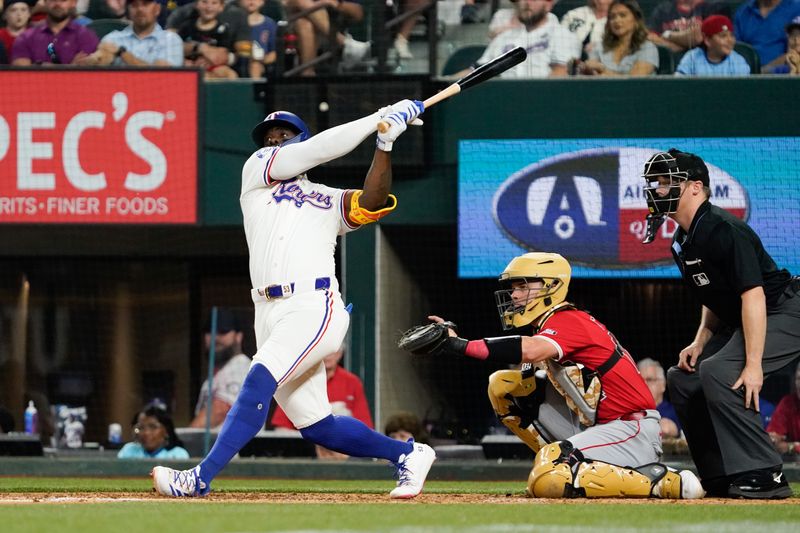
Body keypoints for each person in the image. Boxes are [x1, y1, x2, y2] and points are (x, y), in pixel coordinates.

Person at [152, 99, 436, 499]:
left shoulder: (326, 197)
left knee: (258, 381)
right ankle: (407, 454)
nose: (274, 142)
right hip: (267, 310)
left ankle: (199, 478)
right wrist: (376, 118)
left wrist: (384, 143)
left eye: (284, 136)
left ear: (298, 139)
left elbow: (372, 201)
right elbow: (319, 149)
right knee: (318, 424)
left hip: (312, 303)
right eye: (269, 138)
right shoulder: (256, 172)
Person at [419, 252, 704, 499]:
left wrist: (460, 345)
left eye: (522, 286)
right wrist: (453, 337)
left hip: (632, 430)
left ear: (551, 287)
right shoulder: (546, 325)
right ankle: (559, 463)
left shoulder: (568, 320)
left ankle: (663, 482)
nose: (514, 295)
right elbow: (527, 373)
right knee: (503, 385)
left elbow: (528, 351)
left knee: (548, 477)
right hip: (601, 428)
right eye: (513, 288)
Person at [640, 149, 800, 499]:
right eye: (657, 182)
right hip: (747, 316)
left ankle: (765, 473)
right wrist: (700, 340)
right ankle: (721, 474)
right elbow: (710, 293)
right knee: (683, 378)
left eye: (667, 182)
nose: (658, 190)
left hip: (784, 309)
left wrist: (754, 365)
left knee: (719, 371)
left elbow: (753, 295)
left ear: (696, 187)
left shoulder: (724, 229)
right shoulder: (684, 238)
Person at [270, 343, 374, 459]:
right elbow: (281, 431)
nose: (328, 356)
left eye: (333, 351)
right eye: (324, 351)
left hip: (346, 455)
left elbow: (365, 428)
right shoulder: (296, 382)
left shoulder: (352, 382)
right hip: (306, 455)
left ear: (340, 354)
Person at [457, 0, 580, 79]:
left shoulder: (562, 35)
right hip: (504, 101)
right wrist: (445, 83)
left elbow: (561, 72)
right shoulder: (504, 37)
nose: (527, 3)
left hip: (545, 102)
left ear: (548, 4)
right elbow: (477, 71)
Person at [189, 309, 252, 429]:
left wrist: (184, 442)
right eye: (209, 332)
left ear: (238, 336)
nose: (215, 338)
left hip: (240, 446)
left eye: (223, 332)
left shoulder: (241, 367)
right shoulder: (219, 372)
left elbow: (220, 410)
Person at [282, 0, 370, 75]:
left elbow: (358, 14)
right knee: (303, 20)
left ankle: (307, 77)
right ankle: (344, 43)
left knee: (304, 24)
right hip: (295, 35)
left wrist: (335, 4)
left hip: (331, 33)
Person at [85, 0, 184, 66]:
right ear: (128, 10)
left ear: (157, 9)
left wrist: (122, 53)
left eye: (145, 4)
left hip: (157, 97)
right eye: (134, 5)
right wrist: (91, 62)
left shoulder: (170, 40)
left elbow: (163, 77)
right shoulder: (111, 39)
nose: (140, 9)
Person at [577, 0, 658, 76]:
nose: (617, 20)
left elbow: (634, 82)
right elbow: (594, 76)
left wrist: (603, 70)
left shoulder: (648, 48)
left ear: (636, 19)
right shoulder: (599, 48)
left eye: (622, 15)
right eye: (612, 17)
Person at [11, 0, 99, 65]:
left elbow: (86, 72)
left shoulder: (86, 36)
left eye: (63, 0)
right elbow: (21, 74)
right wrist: (70, 67)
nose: (57, 4)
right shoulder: (26, 37)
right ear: (44, 2)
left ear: (73, 3)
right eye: (53, 0)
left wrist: (41, 67)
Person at [177, 0, 249, 79]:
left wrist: (206, 57)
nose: (209, 7)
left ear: (221, 7)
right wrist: (199, 48)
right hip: (190, 66)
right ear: (197, 4)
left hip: (213, 66)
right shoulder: (186, 27)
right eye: (204, 2)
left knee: (231, 75)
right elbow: (178, 48)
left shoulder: (223, 29)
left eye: (214, 3)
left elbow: (222, 55)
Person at [734, 0, 800, 71]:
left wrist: (766, 70)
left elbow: (796, 52)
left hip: (785, 75)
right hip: (747, 75)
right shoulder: (743, 12)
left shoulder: (797, 8)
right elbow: (736, 52)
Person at [675, 14, 751, 76]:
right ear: (707, 40)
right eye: (723, 36)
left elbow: (744, 91)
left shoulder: (738, 61)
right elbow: (678, 86)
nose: (730, 40)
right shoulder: (692, 58)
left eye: (731, 35)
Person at [648, 0, 731, 53]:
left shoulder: (714, 6)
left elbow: (697, 38)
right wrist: (673, 46)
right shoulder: (662, 10)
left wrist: (667, 34)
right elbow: (650, 38)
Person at [118, 405, 190, 459]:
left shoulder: (178, 455)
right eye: (141, 428)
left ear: (166, 431)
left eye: (153, 427)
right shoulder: (128, 451)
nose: (146, 433)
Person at [636, 358, 681, 438]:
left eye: (649, 380)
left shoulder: (674, 411)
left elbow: (667, 429)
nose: (644, 385)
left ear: (663, 385)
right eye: (640, 381)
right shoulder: (631, 411)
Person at [766, 362, 800, 455]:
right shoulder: (787, 403)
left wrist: (792, 446)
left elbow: (784, 446)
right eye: (798, 378)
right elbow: (773, 438)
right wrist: (773, 439)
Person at [239, 0, 276, 78]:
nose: (251, 1)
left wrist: (261, 60)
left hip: (260, 64)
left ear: (262, 1)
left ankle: (255, 89)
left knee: (255, 65)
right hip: (239, 62)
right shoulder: (235, 23)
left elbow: (274, 52)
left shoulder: (269, 24)